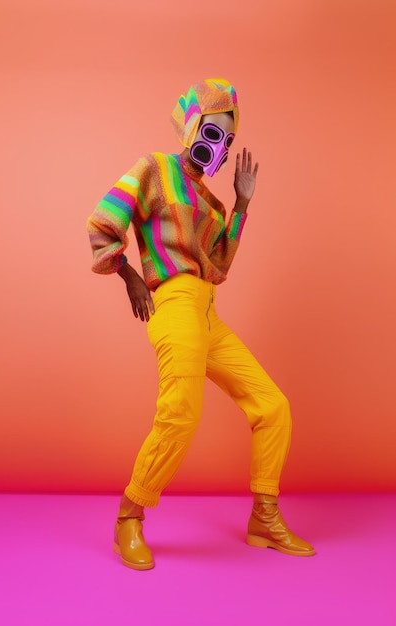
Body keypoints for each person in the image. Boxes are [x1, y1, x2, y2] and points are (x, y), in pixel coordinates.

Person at [87, 78, 315, 570]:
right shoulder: (155, 168)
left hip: (208, 309)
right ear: (190, 127)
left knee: (273, 406)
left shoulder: (210, 203)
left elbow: (219, 267)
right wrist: (128, 274)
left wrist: (243, 206)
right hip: (174, 302)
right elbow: (104, 221)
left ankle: (264, 516)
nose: (220, 147)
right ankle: (130, 517)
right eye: (213, 133)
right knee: (182, 412)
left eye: (228, 141)